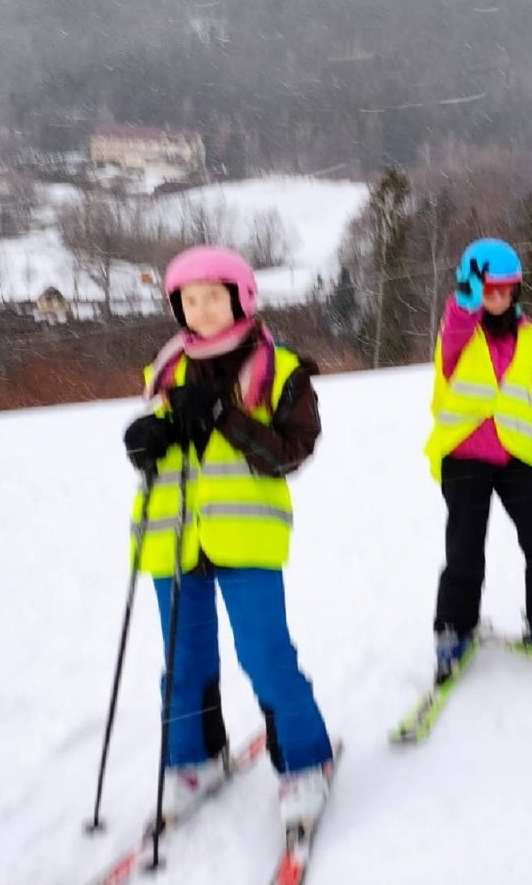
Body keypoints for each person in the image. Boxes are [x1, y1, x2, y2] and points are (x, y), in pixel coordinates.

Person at [121, 245, 333, 834]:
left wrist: (224, 414)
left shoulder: (280, 369)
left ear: (242, 298)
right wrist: (147, 440)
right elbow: (166, 449)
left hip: (246, 539)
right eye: (190, 299)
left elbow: (288, 454)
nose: (202, 309)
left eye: (215, 296)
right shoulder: (165, 371)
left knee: (265, 657)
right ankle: (193, 761)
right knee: (182, 664)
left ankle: (305, 763)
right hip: (174, 538)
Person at [424, 238, 532, 681]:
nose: (497, 298)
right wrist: (464, 303)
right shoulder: (458, 330)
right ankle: (454, 632)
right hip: (465, 452)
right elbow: (456, 332)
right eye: (489, 290)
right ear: (474, 288)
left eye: (505, 290)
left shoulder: (529, 335)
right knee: (465, 550)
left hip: (516, 452)